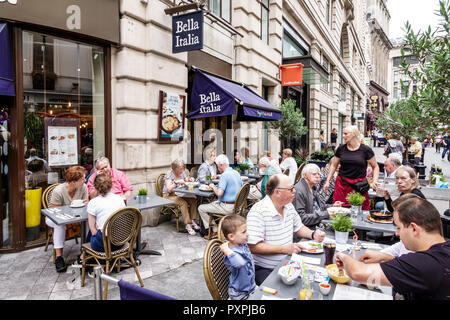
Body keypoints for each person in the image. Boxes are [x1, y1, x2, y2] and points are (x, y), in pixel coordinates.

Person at [335, 197, 450, 300]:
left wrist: (343, 256)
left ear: (414, 229)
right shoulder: (442, 252)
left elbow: (357, 273)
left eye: (399, 228)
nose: (396, 233)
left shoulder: (425, 263)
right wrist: (384, 257)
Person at [246, 174, 326, 285]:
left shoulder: (288, 206)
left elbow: (299, 227)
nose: (295, 191)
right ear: (277, 192)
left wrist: (313, 234)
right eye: (291, 189)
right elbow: (253, 246)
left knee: (314, 280)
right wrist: (284, 249)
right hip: (265, 269)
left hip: (288, 263)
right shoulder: (258, 212)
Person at [323, 125, 379, 210]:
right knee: (339, 209)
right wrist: (327, 181)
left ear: (353, 134)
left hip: (359, 186)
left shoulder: (366, 150)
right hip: (342, 184)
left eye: (345, 134)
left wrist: (375, 181)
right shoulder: (341, 149)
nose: (343, 136)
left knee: (361, 209)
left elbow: (375, 166)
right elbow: (333, 165)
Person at [45, 166, 88, 272]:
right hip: (55, 217)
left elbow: (86, 203)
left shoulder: (83, 187)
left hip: (76, 216)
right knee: (60, 225)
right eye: (82, 179)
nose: (85, 180)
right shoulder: (58, 191)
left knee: (89, 221)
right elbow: (54, 211)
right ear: (74, 181)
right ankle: (59, 257)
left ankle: (85, 252)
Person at [198, 154, 242, 239]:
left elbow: (219, 193)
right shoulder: (236, 172)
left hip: (227, 207)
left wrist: (213, 187)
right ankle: (216, 228)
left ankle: (214, 230)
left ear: (221, 165)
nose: (218, 169)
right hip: (237, 206)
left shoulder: (225, 175)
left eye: (218, 166)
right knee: (212, 203)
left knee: (201, 208)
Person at [292, 164, 342, 228]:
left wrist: (333, 206)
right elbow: (301, 218)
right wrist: (326, 214)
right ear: (305, 175)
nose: (318, 176)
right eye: (314, 174)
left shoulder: (313, 188)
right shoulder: (298, 191)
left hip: (317, 223)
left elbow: (319, 207)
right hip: (307, 229)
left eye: (318, 174)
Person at [86, 174, 126, 253]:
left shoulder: (93, 203)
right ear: (111, 185)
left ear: (95, 187)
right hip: (121, 241)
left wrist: (98, 227)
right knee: (99, 228)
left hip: (104, 244)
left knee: (92, 232)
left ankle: (84, 256)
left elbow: (93, 231)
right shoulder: (119, 199)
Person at [219, 215, 256, 300]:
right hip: (240, 294)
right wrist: (227, 250)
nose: (247, 234)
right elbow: (240, 263)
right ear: (231, 236)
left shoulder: (241, 243)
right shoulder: (231, 254)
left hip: (251, 288)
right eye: (244, 232)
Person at [163, 159, 199, 235]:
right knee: (183, 203)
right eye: (180, 169)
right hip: (169, 196)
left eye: (183, 168)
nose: (182, 170)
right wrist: (176, 182)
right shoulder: (169, 174)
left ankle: (192, 221)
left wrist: (190, 179)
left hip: (180, 194)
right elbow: (169, 190)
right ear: (175, 168)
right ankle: (187, 225)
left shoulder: (182, 173)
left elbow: (186, 180)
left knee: (193, 199)